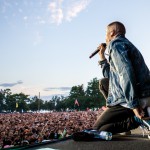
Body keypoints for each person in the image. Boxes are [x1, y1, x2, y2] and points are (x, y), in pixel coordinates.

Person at [93, 21, 150, 134]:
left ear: (112, 33)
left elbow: (126, 74)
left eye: (106, 33)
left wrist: (134, 105)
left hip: (136, 96)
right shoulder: (123, 44)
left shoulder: (116, 44)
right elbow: (111, 77)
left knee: (98, 130)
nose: (105, 37)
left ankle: (139, 119)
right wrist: (102, 57)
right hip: (137, 93)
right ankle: (134, 116)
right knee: (104, 82)